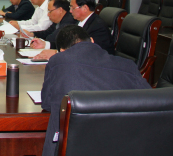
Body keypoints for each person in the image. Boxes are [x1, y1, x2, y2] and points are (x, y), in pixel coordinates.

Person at [40, 25, 151, 156]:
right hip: (121, 144)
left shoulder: (57, 60)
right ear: (92, 40)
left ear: (62, 51)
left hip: (71, 146)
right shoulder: (128, 65)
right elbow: (150, 102)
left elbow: (47, 103)